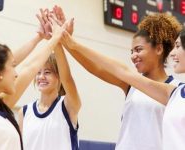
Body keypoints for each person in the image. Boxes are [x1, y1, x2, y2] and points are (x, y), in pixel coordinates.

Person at [58, 11, 182, 150]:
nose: (133, 56)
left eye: (138, 50)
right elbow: (96, 68)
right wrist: (65, 41)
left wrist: (72, 43)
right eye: (131, 52)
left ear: (159, 49)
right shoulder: (130, 85)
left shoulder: (176, 90)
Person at [0, 15, 64, 149]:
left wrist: (40, 37)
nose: (16, 73)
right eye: (12, 66)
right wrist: (55, 38)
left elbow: (30, 68)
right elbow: (29, 67)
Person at [18, 9, 81, 150]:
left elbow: (68, 78)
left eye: (47, 72)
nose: (41, 77)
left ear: (58, 77)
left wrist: (56, 37)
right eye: (38, 72)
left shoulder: (68, 105)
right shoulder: (24, 112)